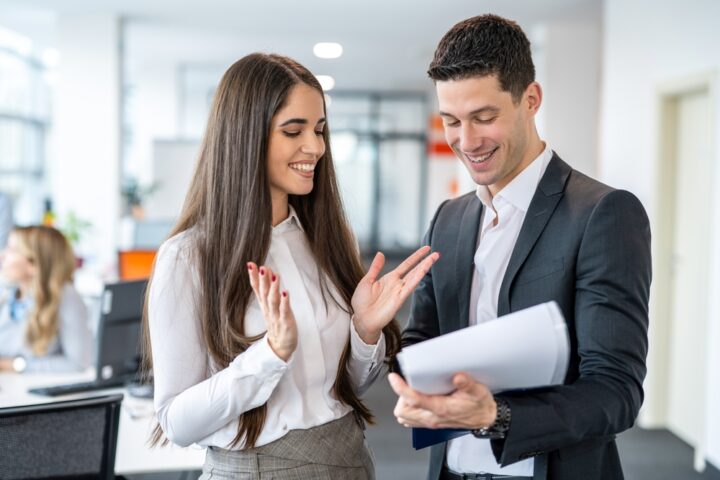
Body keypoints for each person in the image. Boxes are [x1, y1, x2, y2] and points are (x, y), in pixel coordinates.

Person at [145, 53, 438, 480]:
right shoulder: (188, 258)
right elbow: (177, 422)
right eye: (293, 130)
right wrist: (268, 356)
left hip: (350, 462)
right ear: (245, 136)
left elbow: (346, 391)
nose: (316, 147)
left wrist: (364, 330)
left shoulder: (328, 240)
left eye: (319, 130)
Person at [388, 14, 651, 480]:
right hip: (450, 471)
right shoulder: (448, 219)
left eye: (484, 118)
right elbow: (423, 341)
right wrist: (377, 338)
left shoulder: (602, 213)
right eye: (451, 121)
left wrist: (496, 417)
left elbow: (616, 392)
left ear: (531, 99)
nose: (466, 141)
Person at [0, 225, 92, 373]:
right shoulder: (7, 294)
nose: (2, 256)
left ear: (34, 265)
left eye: (12, 250)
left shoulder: (66, 297)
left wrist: (16, 365)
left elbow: (78, 363)